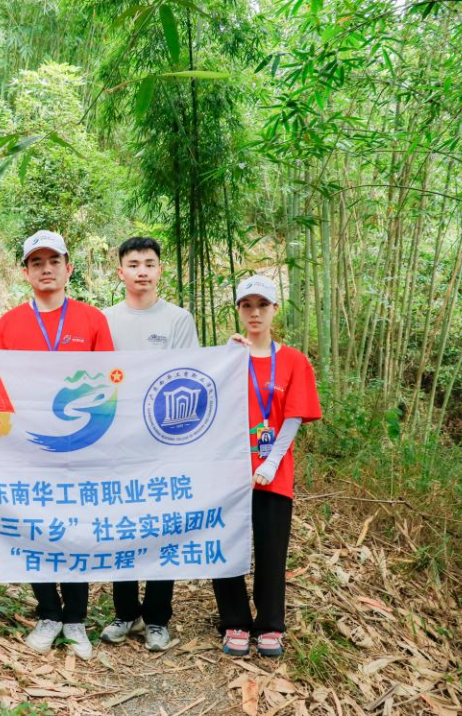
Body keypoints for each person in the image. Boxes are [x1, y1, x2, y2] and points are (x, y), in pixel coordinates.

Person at [0, 229, 114, 660]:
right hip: (27, 445)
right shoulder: (9, 323)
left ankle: (75, 619)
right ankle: (48, 613)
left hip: (80, 443)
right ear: (25, 272)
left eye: (54, 261)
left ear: (68, 268)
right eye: (37, 263)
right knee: (35, 525)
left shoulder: (92, 320)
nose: (46, 270)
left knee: (75, 528)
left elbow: (109, 383)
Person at [213, 274, 321, 657]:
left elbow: (293, 416)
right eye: (247, 305)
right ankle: (234, 621)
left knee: (271, 550)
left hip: (273, 473)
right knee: (226, 546)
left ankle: (270, 624)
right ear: (238, 310)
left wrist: (272, 462)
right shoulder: (229, 357)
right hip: (229, 471)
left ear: (275, 309)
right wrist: (223, 360)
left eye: (262, 305)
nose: (254, 313)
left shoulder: (293, 361)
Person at [99, 236, 198, 652]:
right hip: (116, 442)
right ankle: (125, 612)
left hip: (162, 441)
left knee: (161, 527)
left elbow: (188, 375)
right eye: (134, 264)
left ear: (160, 270)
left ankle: (157, 617)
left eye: (150, 263)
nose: (142, 271)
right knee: (121, 526)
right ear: (120, 271)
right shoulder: (103, 320)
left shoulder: (178, 319)